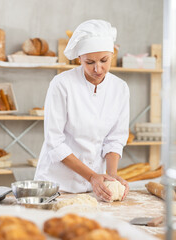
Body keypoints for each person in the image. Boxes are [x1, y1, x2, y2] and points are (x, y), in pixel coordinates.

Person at [34, 19, 130, 202]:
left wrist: (111, 175)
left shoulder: (120, 88)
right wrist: (92, 176)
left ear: (112, 54)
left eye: (104, 60)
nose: (97, 69)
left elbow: (115, 138)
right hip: (56, 186)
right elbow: (54, 143)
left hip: (94, 188)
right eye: (89, 62)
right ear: (79, 59)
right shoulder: (62, 84)